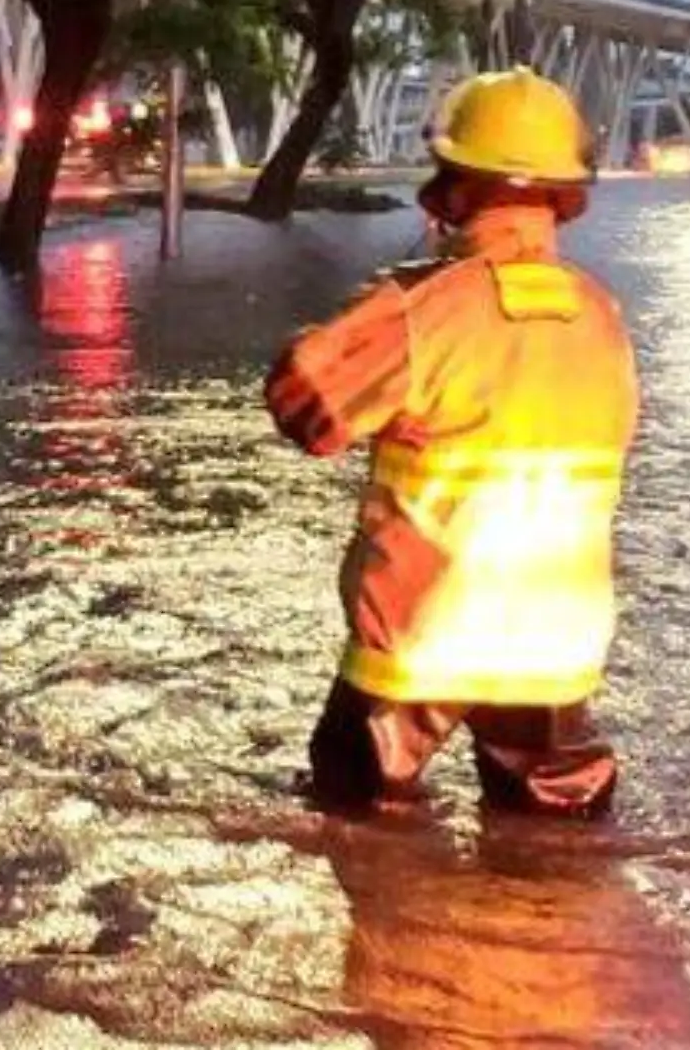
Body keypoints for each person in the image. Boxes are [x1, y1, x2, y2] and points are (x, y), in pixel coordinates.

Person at [263, 67, 638, 819]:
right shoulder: (604, 318)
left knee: (358, 821)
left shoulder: (421, 308)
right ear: (564, 196)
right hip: (557, 648)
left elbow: (303, 405)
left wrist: (336, 330)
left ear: (456, 186)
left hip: (422, 642)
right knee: (558, 844)